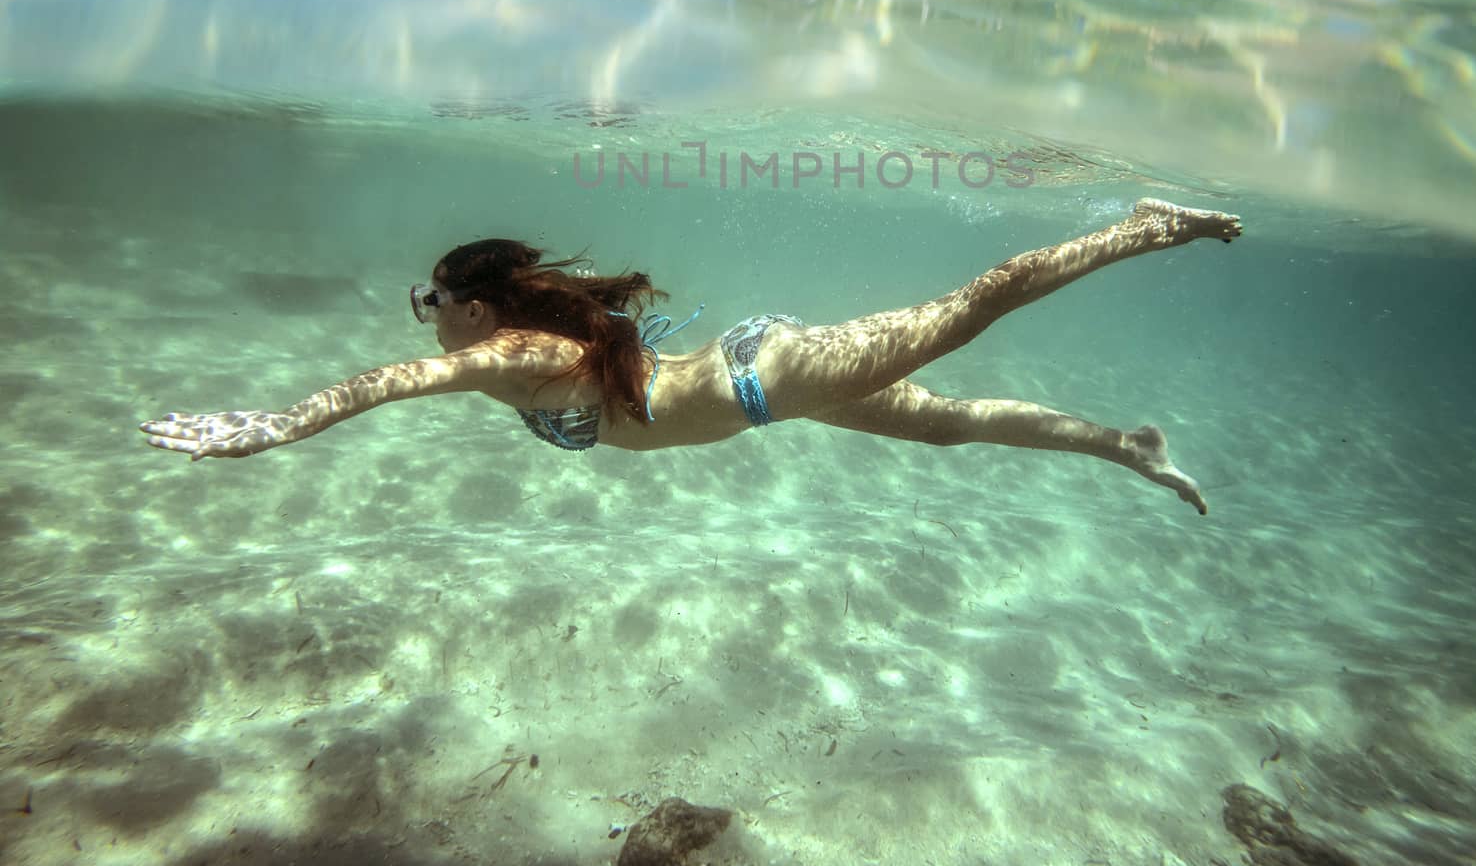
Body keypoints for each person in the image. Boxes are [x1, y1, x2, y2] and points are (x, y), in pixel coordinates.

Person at [140, 198, 1242, 516]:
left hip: (771, 376)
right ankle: (1125, 445)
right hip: (767, 386)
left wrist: (278, 425)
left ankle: (1140, 226)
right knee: (948, 423)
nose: (423, 318)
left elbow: (387, 384)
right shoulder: (537, 342)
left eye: (431, 298)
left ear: (471, 306)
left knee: (970, 308)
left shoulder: (507, 350)